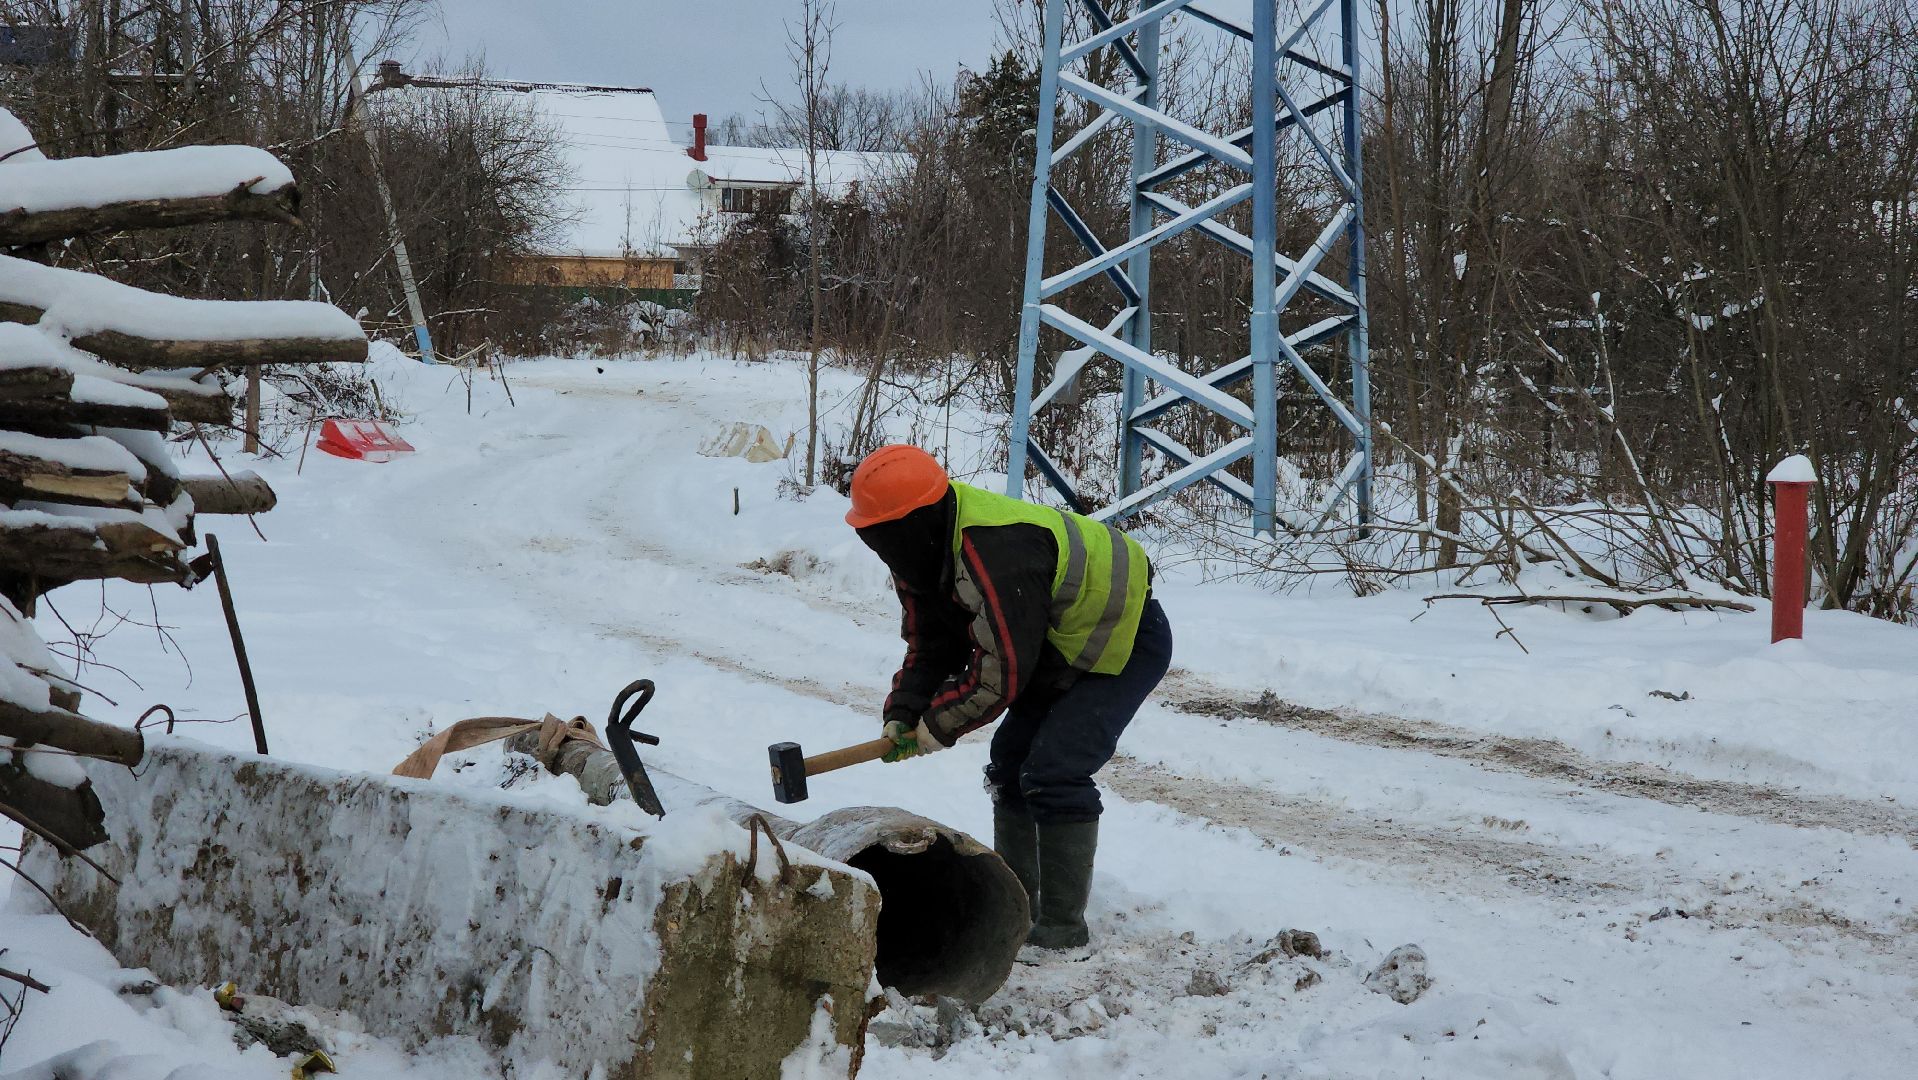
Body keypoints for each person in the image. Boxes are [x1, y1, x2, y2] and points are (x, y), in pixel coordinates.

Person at [844, 444, 1173, 957]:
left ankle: (1062, 933)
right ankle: (1017, 908)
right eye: (874, 534)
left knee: (1055, 769)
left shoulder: (994, 551)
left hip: (1124, 640)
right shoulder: (919, 551)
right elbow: (931, 641)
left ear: (920, 517)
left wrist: (938, 725)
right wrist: (903, 713)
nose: (883, 545)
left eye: (888, 531)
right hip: (1055, 643)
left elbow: (1003, 673)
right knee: (1009, 765)